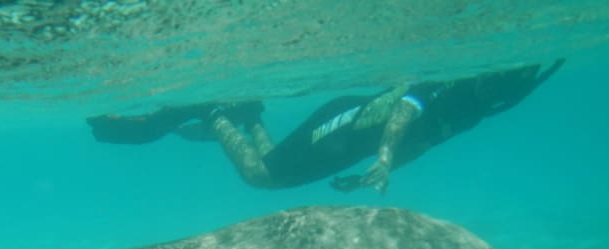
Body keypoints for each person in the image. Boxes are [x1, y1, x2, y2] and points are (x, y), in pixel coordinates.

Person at [87, 60, 564, 194]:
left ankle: (248, 117)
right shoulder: (451, 85)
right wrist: (380, 159)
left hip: (352, 144)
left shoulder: (473, 110)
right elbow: (403, 115)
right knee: (262, 177)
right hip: (348, 124)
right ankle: (215, 112)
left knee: (279, 174)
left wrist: (375, 167)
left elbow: (423, 144)